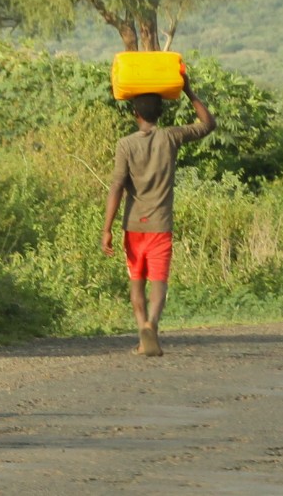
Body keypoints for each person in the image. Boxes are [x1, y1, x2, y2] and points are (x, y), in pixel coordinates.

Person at [102, 72, 216, 357]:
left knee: (136, 282)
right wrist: (189, 92)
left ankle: (142, 331)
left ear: (134, 113)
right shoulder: (171, 137)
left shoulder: (125, 145)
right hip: (161, 226)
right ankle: (152, 324)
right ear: (161, 112)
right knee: (159, 282)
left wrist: (107, 228)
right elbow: (207, 125)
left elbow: (117, 186)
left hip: (133, 227)